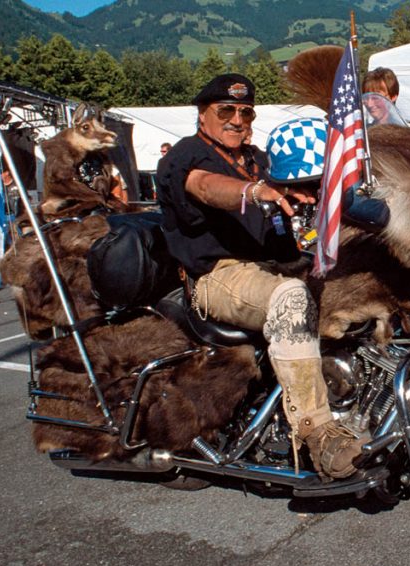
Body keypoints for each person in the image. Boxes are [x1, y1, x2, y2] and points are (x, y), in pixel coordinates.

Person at [156, 73, 364, 479]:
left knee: (353, 283)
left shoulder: (256, 159)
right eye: (226, 111)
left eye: (245, 112)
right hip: (218, 275)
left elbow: (287, 187)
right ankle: (318, 432)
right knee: (291, 298)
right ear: (203, 114)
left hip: (273, 266)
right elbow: (207, 187)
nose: (237, 120)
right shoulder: (185, 156)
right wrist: (254, 192)